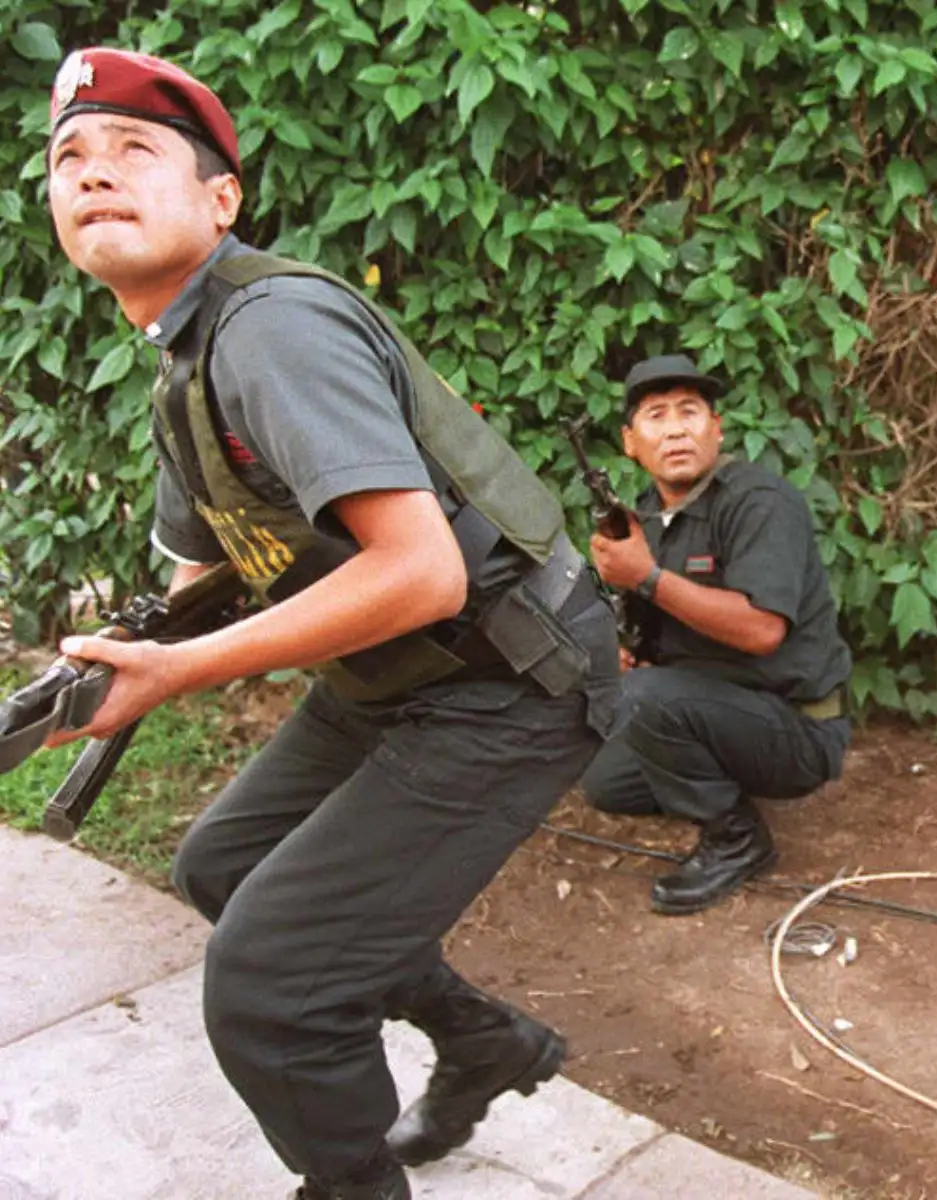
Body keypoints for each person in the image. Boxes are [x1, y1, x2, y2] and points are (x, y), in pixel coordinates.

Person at [43, 49, 619, 1200]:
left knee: (269, 985)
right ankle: (482, 1041)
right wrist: (106, 651)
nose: (93, 173)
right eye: (68, 159)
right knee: (224, 863)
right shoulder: (182, 368)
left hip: (509, 679)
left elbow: (421, 573)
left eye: (134, 150)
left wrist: (178, 671)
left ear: (222, 201)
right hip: (397, 676)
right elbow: (201, 566)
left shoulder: (271, 328)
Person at [579, 354, 853, 914]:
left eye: (690, 411)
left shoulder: (759, 502)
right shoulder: (645, 519)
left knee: (643, 702)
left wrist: (647, 578)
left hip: (799, 726)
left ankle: (737, 838)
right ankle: (719, 778)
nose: (676, 428)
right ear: (631, 442)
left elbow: (761, 631)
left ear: (717, 428)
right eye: (656, 415)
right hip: (726, 712)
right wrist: (628, 650)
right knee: (605, 781)